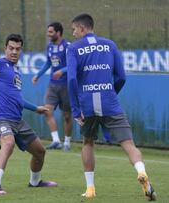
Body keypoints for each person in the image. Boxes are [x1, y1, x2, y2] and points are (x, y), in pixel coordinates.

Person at [67, 13, 156, 200]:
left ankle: (90, 189)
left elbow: (72, 79)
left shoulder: (73, 48)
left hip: (87, 106)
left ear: (82, 28)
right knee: (129, 144)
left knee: (88, 142)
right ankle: (141, 172)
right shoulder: (110, 45)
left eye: (74, 29)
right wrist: (111, 93)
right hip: (110, 103)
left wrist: (76, 108)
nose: (73, 33)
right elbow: (121, 77)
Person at [0, 34, 58, 195]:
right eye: (11, 48)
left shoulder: (16, 71)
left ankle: (35, 182)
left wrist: (35, 108)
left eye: (17, 49)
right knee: (8, 143)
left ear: (21, 50)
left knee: (40, 151)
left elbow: (18, 99)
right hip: (1, 119)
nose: (14, 52)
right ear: (5, 48)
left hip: (18, 121)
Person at [32, 22, 72, 151]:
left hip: (66, 85)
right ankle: (56, 141)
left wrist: (62, 71)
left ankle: (67, 142)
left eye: (50, 32)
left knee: (66, 115)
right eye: (48, 31)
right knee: (47, 111)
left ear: (58, 33)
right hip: (52, 85)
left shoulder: (67, 46)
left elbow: (73, 64)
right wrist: (38, 75)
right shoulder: (49, 47)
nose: (48, 34)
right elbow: (48, 63)